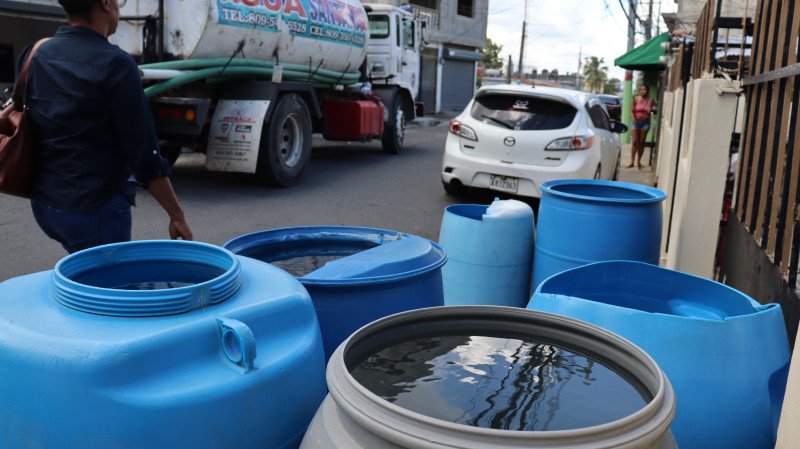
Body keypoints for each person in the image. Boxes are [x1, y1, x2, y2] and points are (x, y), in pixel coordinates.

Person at [16, 0, 192, 253]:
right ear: (106, 4)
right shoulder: (116, 63)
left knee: (81, 280)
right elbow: (144, 155)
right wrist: (176, 214)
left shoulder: (36, 52)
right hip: (92, 210)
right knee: (108, 289)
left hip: (45, 206)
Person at [627, 84, 656, 170]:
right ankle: (632, 162)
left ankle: (639, 161)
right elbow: (631, 112)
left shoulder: (651, 100)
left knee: (642, 142)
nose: (643, 91)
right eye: (641, 90)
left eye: (644, 90)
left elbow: (655, 110)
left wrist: (652, 110)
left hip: (645, 123)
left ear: (648, 91)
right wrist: (633, 119)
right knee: (635, 141)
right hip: (635, 122)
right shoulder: (636, 99)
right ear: (639, 91)